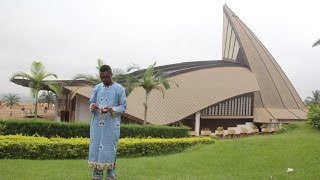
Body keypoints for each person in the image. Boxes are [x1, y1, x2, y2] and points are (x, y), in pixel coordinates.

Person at [88, 65, 127, 180]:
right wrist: (93, 107)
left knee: (110, 150)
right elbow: (91, 103)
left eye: (106, 77)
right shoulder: (97, 88)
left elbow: (123, 106)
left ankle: (111, 176)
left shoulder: (120, 89)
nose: (103, 80)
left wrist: (112, 109)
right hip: (96, 127)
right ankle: (96, 176)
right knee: (96, 149)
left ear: (111, 75)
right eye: (101, 77)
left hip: (111, 126)